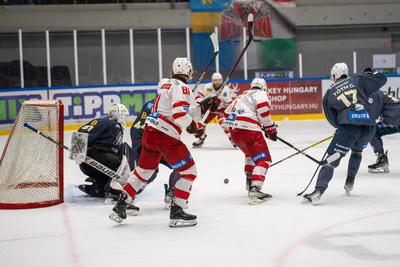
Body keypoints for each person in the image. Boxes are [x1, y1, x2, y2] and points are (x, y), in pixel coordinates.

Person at [109, 57, 204, 227]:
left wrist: (200, 106)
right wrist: (194, 128)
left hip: (149, 133)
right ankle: (178, 211)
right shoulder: (182, 88)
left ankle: (122, 203)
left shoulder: (164, 84)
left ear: (173, 71)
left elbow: (180, 107)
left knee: (143, 172)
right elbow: (179, 114)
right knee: (189, 171)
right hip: (165, 136)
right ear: (188, 73)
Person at [303, 64, 387, 204]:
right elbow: (382, 79)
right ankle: (349, 183)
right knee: (357, 151)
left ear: (334, 75)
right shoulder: (357, 79)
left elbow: (332, 119)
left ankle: (318, 191)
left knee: (331, 160)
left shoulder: (329, 93)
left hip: (348, 128)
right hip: (369, 127)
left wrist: (343, 128)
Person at [224, 78, 277, 205]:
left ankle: (249, 181)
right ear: (264, 87)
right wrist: (270, 129)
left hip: (235, 132)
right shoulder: (262, 94)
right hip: (249, 131)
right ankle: (255, 189)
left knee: (250, 155)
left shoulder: (242, 96)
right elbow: (263, 109)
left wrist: (257, 125)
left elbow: (226, 113)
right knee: (264, 159)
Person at [130, 99, 181, 208]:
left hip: (141, 139)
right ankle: (171, 194)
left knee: (146, 172)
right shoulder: (167, 106)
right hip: (154, 139)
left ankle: (128, 198)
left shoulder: (151, 102)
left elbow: (135, 128)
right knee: (181, 165)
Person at [77, 104, 131, 199]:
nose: (126, 119)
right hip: (94, 157)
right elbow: (82, 131)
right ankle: (112, 189)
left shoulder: (111, 124)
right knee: (120, 160)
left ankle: (98, 188)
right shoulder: (109, 123)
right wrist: (77, 149)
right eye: (125, 116)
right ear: (120, 114)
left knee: (116, 164)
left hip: (90, 163)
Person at [193, 72, 238, 148]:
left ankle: (232, 138)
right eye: (215, 80)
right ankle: (202, 137)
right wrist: (201, 101)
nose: (217, 82)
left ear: (221, 80)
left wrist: (229, 116)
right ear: (212, 80)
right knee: (201, 123)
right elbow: (199, 95)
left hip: (221, 110)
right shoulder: (207, 87)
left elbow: (229, 104)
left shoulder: (225, 90)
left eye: (219, 80)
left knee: (224, 124)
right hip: (210, 110)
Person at [368, 94, 400, 173]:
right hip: (393, 120)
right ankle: (381, 159)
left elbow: (372, 116)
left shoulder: (373, 94)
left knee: (370, 129)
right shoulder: (374, 93)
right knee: (372, 131)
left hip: (395, 119)